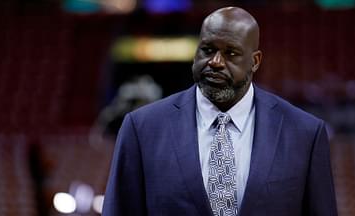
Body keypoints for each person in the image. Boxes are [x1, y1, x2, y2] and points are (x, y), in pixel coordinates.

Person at [102, 6, 337, 216]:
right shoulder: (142, 128)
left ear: (255, 61)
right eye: (207, 49)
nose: (215, 61)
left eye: (231, 53)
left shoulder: (304, 133)